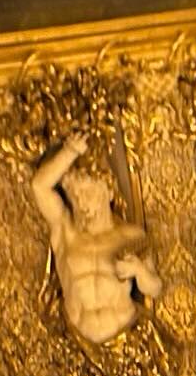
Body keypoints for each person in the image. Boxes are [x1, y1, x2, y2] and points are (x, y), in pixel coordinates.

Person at [32, 134, 163, 347]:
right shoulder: (65, 231)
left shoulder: (131, 236)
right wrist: (69, 152)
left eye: (88, 193)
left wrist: (139, 270)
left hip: (125, 343)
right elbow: (39, 186)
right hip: (77, 345)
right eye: (75, 196)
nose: (82, 202)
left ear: (108, 191)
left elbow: (155, 288)